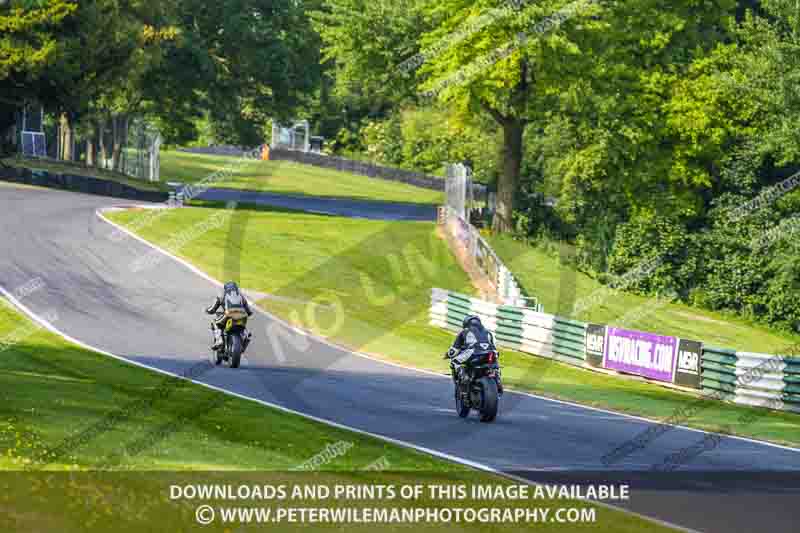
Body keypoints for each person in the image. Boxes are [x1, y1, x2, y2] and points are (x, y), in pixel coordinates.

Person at [444, 315, 503, 395]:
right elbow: (494, 346)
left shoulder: (464, 331)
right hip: (491, 353)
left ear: (466, 323)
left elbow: (454, 351)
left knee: (454, 362)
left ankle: (464, 378)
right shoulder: (488, 332)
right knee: (495, 366)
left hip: (474, 352)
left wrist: (447, 355)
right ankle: (498, 379)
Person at [206, 281, 253, 350]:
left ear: (225, 289)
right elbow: (248, 311)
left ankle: (219, 340)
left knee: (215, 323)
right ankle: (246, 336)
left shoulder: (221, 295)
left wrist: (208, 310)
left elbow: (212, 309)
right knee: (243, 328)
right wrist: (248, 313)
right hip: (242, 315)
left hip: (229, 313)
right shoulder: (242, 297)